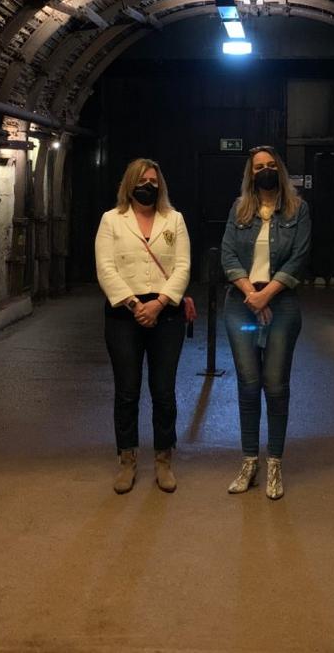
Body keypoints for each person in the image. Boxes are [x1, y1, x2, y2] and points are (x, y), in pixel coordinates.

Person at [94, 159, 191, 494]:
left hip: (166, 314)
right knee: (127, 390)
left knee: (163, 390)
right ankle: (127, 459)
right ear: (129, 184)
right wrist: (136, 305)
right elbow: (106, 268)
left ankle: (163, 459)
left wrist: (159, 304)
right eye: (141, 181)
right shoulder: (111, 220)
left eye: (153, 181)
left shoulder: (174, 219)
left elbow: (183, 267)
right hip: (125, 314)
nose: (148, 186)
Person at [219, 146, 311, 500]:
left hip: (281, 305)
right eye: (259, 167)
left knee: (274, 384)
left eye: (271, 165)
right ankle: (248, 462)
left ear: (280, 170)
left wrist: (266, 296)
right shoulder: (239, 209)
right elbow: (228, 253)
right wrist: (251, 294)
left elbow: (299, 257)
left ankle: (274, 462)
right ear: (250, 173)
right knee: (248, 383)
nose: (265, 171)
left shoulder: (298, 210)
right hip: (241, 306)